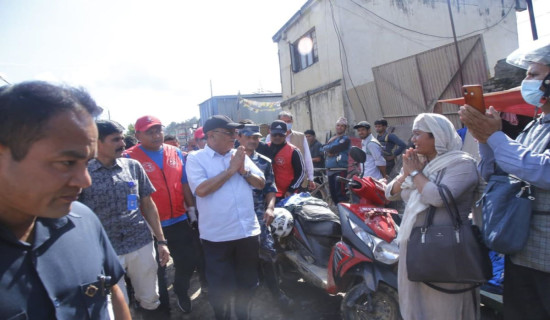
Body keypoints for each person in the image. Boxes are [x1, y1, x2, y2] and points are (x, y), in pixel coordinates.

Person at [0, 81, 130, 320]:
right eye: (67, 163)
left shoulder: (84, 220)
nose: (85, 181)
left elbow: (113, 295)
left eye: (87, 164)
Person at [459, 40, 550, 319]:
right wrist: (484, 139)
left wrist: (496, 138)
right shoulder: (535, 126)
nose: (527, 81)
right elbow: (497, 171)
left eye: (534, 75)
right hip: (520, 248)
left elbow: (542, 171)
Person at [384, 113, 480, 319]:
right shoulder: (420, 163)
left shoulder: (461, 164)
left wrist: (415, 174)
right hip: (416, 245)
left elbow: (437, 197)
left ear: (436, 136)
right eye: (413, 134)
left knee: (445, 306)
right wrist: (407, 172)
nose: (413, 140)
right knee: (416, 303)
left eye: (418, 134)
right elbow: (390, 193)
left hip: (446, 249)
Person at [79, 120, 170, 315]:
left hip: (140, 242)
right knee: (115, 305)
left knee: (150, 298)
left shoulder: (133, 166)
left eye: (122, 138)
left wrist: (161, 241)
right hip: (105, 250)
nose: (122, 143)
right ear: (96, 142)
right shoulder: (82, 173)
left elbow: (148, 204)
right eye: (115, 140)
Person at [186, 115, 265, 320]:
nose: (234, 137)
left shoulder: (239, 155)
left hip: (247, 232)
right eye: (229, 133)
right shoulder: (196, 159)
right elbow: (201, 190)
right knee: (220, 288)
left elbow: (261, 183)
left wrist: (244, 171)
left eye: (235, 133)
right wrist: (231, 171)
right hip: (217, 237)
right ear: (211, 136)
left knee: (247, 284)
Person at [124, 115, 197, 314]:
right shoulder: (128, 157)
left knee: (188, 261)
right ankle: (163, 310)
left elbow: (184, 184)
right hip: (150, 225)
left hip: (179, 220)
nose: (156, 135)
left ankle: (181, 291)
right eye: (150, 132)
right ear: (137, 135)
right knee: (157, 271)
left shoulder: (175, 152)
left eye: (158, 130)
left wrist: (192, 211)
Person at [266, 111, 316, 191]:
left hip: (299, 181)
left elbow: (307, 157)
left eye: (288, 121)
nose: (286, 124)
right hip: (276, 183)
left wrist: (311, 177)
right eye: (283, 122)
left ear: (292, 122)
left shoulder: (301, 136)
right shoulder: (271, 137)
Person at [268, 120, 306, 200]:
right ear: (270, 133)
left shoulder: (294, 151)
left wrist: (291, 190)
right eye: (275, 134)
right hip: (268, 194)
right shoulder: (264, 148)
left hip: (286, 195)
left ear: (286, 134)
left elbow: (301, 173)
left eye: (281, 134)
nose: (277, 137)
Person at [322, 117, 351, 204]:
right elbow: (322, 148)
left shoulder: (345, 139)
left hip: (340, 170)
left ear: (345, 128)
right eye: (338, 125)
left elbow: (334, 148)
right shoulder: (332, 138)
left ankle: (344, 213)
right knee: (333, 194)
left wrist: (329, 149)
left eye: (342, 126)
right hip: (330, 170)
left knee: (340, 194)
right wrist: (328, 150)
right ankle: (338, 213)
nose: (339, 127)